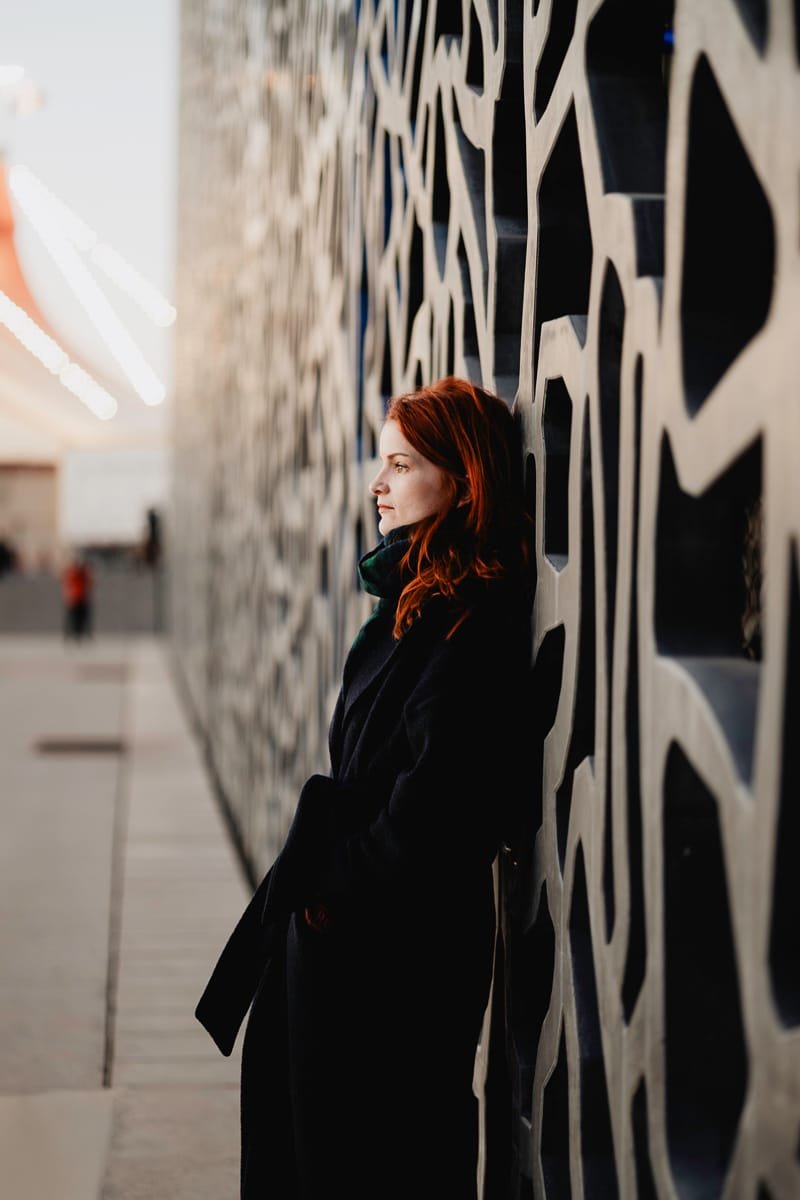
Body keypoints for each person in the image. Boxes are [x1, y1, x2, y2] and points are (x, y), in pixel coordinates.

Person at [195, 376, 534, 1199]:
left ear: (462, 479)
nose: (377, 486)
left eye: (400, 464)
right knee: (326, 1152)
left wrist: (333, 891)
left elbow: (441, 801)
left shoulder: (468, 619)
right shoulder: (414, 604)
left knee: (379, 1156)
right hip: (359, 938)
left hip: (393, 952)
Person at [62, 554, 93, 640]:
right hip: (74, 599)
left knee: (82, 619)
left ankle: (81, 634)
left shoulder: (83, 573)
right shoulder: (73, 573)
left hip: (81, 598)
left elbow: (89, 583)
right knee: (73, 619)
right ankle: (70, 635)